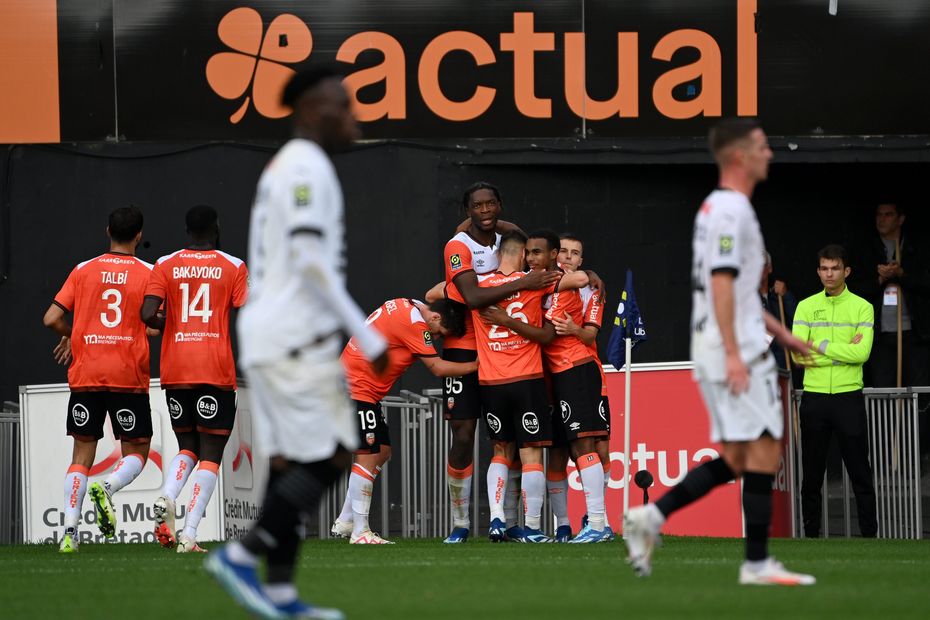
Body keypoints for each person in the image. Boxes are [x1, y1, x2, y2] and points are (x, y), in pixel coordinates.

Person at [204, 67, 388, 620]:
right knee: (340, 450)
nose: (353, 118)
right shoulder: (308, 166)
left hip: (270, 333)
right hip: (294, 338)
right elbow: (310, 260)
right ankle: (241, 555)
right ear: (312, 111)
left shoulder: (288, 165)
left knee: (287, 466)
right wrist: (366, 330)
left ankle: (281, 594)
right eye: (343, 108)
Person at [623, 118, 816, 585]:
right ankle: (755, 564)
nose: (770, 153)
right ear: (737, 156)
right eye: (762, 147)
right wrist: (734, 352)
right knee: (765, 450)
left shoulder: (718, 209)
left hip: (728, 338)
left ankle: (652, 517)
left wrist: (784, 336)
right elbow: (722, 283)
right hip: (735, 346)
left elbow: (742, 293)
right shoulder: (731, 211)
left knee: (740, 456)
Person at [437, 183, 560, 544]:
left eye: (492, 204)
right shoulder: (458, 246)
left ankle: (505, 521)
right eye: (478, 206)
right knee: (463, 433)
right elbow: (473, 296)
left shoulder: (503, 244)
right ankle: (460, 522)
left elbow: (524, 243)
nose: (486, 210)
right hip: (465, 344)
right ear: (467, 210)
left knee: (507, 442)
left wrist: (588, 277)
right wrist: (525, 282)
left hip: (502, 354)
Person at [42, 206, 156, 553]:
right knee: (137, 450)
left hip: (87, 373)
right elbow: (152, 324)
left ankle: (69, 535)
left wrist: (75, 335)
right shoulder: (150, 273)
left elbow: (50, 319)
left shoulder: (83, 270)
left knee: (81, 454)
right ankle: (107, 486)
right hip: (126, 375)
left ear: (108, 230)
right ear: (138, 235)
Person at [140, 205, 249, 553]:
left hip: (176, 368)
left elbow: (146, 314)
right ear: (216, 229)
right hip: (214, 367)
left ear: (186, 230)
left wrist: (166, 322)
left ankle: (167, 495)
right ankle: (188, 534)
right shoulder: (233, 266)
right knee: (212, 454)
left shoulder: (165, 264)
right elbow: (249, 308)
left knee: (187, 445)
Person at [472, 230, 588, 543]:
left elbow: (436, 293)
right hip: (527, 379)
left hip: (491, 381)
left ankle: (496, 520)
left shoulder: (479, 287)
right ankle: (534, 528)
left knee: (500, 450)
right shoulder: (535, 282)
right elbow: (578, 281)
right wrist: (588, 273)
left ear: (498, 254)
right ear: (523, 254)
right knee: (531, 454)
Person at [331, 297, 476, 544]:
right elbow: (438, 367)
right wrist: (479, 366)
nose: (438, 339)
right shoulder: (415, 324)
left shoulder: (408, 304)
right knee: (367, 455)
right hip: (355, 388)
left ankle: (345, 522)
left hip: (359, 388)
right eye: (440, 333)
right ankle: (360, 531)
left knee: (382, 451)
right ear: (435, 318)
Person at [792, 244, 877, 538]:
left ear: (846, 271)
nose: (829, 274)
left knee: (859, 472)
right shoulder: (805, 306)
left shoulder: (863, 306)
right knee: (812, 474)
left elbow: (863, 352)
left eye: (835, 268)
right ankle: (811, 536)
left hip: (847, 396)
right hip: (814, 398)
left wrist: (821, 346)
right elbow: (798, 356)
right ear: (818, 271)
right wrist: (843, 351)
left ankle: (870, 537)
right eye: (824, 268)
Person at [549, 233, 613, 542]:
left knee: (594, 447)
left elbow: (589, 335)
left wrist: (574, 329)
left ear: (582, 261)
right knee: (559, 451)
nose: (568, 257)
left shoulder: (592, 290)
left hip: (582, 370)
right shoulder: (543, 282)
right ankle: (563, 524)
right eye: (563, 251)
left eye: (575, 253)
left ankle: (599, 521)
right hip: (551, 375)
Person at [760, 251, 797, 373]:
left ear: (769, 268)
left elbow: (798, 322)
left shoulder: (779, 296)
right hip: (757, 369)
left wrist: (786, 295)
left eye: (761, 264)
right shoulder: (744, 300)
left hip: (782, 368)